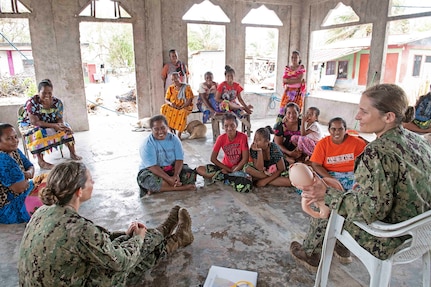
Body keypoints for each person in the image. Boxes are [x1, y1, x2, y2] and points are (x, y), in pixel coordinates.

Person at [290, 83, 431, 273]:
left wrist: (326, 194)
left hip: (388, 238)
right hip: (421, 233)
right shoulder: (417, 141)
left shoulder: (377, 152)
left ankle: (310, 253)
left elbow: (371, 210)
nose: (357, 117)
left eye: (364, 112)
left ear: (388, 117)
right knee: (344, 195)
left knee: (327, 205)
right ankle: (341, 246)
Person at [18, 161, 194, 286]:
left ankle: (166, 234)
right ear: (79, 191)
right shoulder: (79, 228)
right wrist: (138, 238)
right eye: (90, 180)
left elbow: (94, 240)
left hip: (56, 278)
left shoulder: (42, 211)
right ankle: (171, 237)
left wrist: (126, 236)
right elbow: (122, 261)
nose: (93, 182)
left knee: (120, 244)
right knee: (130, 260)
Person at [20, 79, 82, 170]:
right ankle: (41, 161)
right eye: (44, 93)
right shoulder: (32, 103)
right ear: (38, 92)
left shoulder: (57, 103)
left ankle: (73, 153)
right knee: (38, 133)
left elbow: (59, 118)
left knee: (66, 128)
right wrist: (54, 126)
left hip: (51, 123)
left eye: (49, 93)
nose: (47, 95)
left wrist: (60, 126)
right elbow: (35, 122)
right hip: (31, 124)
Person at [137, 115, 196, 197]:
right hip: (153, 171)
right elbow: (152, 166)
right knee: (146, 180)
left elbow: (179, 159)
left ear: (167, 127)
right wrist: (168, 179)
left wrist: (176, 175)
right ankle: (180, 187)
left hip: (171, 169)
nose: (160, 132)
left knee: (190, 175)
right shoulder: (147, 144)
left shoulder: (174, 139)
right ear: (151, 130)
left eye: (163, 128)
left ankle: (161, 188)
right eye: (156, 129)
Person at [196, 113, 252, 193]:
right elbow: (213, 159)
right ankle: (229, 177)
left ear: (236, 125)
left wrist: (235, 170)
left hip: (240, 168)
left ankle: (227, 177)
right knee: (199, 169)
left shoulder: (243, 137)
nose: (229, 128)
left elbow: (245, 159)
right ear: (222, 127)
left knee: (246, 184)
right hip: (225, 168)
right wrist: (228, 169)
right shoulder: (221, 138)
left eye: (232, 125)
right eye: (226, 126)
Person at [0, 123, 44, 224]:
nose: (15, 141)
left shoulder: (14, 150)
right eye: (9, 139)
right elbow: (20, 188)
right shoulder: (2, 159)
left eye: (15, 137)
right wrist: (25, 176)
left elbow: (30, 166)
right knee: (48, 198)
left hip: (25, 191)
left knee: (52, 179)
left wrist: (26, 174)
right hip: (8, 207)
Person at [310, 117, 366, 191]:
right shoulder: (322, 144)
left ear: (345, 130)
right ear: (329, 130)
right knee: (309, 184)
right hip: (329, 174)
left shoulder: (357, 143)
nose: (337, 132)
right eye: (333, 129)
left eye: (340, 129)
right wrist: (331, 179)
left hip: (352, 175)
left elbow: (367, 160)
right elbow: (316, 165)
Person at [160, 72, 194, 139]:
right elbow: (166, 99)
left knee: (182, 112)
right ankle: (171, 131)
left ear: (179, 78)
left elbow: (189, 100)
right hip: (173, 106)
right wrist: (171, 104)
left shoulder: (186, 87)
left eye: (175, 78)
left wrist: (181, 107)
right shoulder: (171, 88)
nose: (174, 81)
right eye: (172, 79)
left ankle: (179, 133)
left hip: (184, 106)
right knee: (164, 108)